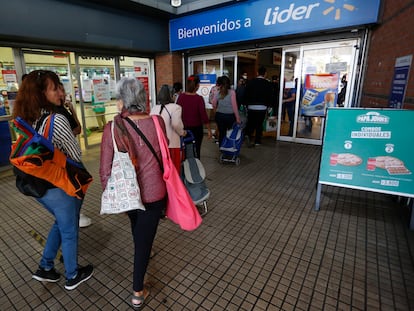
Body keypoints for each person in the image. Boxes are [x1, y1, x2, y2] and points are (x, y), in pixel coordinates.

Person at [12, 70, 93, 290]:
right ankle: (72, 275)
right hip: (61, 185)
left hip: (40, 187)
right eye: (55, 87)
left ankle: (45, 267)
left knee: (61, 223)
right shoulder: (56, 119)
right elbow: (75, 155)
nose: (61, 91)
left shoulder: (31, 119)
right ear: (41, 93)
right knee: (69, 229)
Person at [100, 77, 167, 309]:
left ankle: (142, 250)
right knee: (143, 240)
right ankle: (137, 292)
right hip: (155, 193)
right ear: (141, 99)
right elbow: (165, 155)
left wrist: (112, 195)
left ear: (122, 102)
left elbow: (104, 169)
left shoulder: (112, 128)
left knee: (138, 229)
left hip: (128, 194)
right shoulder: (157, 122)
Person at [56, 84, 92, 228]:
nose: (62, 93)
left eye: (62, 90)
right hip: (68, 161)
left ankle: (70, 215)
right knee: (81, 182)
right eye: (56, 90)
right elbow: (77, 129)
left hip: (58, 162)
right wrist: (71, 109)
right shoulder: (60, 114)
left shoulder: (47, 112)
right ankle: (73, 215)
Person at [150, 84, 186, 172]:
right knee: (173, 172)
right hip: (172, 145)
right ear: (171, 95)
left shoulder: (154, 108)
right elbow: (176, 124)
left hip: (157, 145)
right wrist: (182, 132)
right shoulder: (176, 108)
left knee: (161, 171)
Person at [176, 74, 211, 158]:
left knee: (185, 149)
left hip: (184, 129)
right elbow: (203, 115)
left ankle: (185, 166)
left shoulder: (181, 97)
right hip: (196, 130)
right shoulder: (199, 99)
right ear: (197, 86)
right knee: (196, 149)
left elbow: (177, 113)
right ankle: (195, 167)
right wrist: (209, 129)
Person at [243, 66, 273, 146]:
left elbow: (246, 94)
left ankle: (248, 136)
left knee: (250, 123)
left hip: (251, 106)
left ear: (257, 73)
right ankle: (257, 140)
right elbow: (270, 96)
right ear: (265, 74)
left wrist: (246, 105)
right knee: (259, 124)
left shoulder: (250, 82)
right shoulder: (268, 83)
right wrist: (269, 107)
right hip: (262, 107)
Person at [210, 75, 241, 147]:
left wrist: (217, 108)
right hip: (230, 116)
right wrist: (237, 118)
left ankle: (222, 148)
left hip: (219, 116)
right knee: (229, 133)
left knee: (222, 133)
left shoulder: (218, 92)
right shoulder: (232, 92)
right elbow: (234, 106)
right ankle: (229, 147)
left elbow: (213, 103)